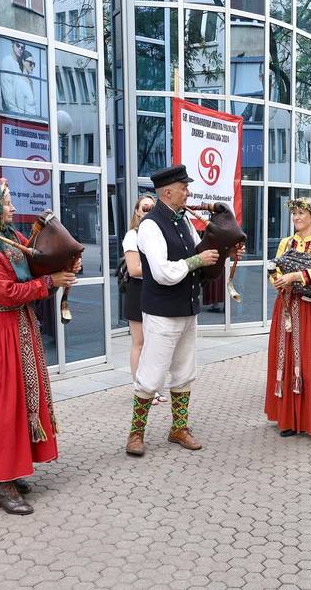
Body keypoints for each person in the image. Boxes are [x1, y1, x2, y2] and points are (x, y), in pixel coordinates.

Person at [0, 178, 79, 515]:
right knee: (1, 403)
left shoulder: (2, 238)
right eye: (6, 202)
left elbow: (36, 265)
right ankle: (0, 483)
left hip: (14, 327)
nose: (11, 208)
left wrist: (63, 266)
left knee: (19, 398)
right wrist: (51, 281)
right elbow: (6, 293)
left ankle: (10, 468)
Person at [124, 165, 220, 457]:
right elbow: (163, 272)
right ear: (168, 192)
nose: (188, 192)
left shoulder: (184, 222)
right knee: (151, 375)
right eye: (184, 187)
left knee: (184, 372)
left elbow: (198, 256)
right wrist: (197, 261)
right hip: (163, 312)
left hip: (187, 309)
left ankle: (179, 428)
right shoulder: (151, 225)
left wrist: (221, 253)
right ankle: (135, 434)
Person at [264, 198, 311, 448]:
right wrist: (275, 278)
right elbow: (274, 266)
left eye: (301, 213)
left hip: (309, 309)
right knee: (285, 360)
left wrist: (296, 275)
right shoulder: (287, 243)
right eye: (294, 213)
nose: (296, 217)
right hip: (285, 307)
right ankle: (290, 419)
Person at [122, 195, 166, 406]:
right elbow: (133, 269)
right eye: (144, 208)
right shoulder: (133, 235)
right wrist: (161, 270)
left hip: (154, 290)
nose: (149, 211)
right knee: (139, 342)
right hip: (138, 290)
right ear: (137, 212)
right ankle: (140, 388)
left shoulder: (158, 233)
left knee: (154, 342)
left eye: (152, 207)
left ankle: (154, 387)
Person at [0, 40, 25, 113]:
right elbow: (7, 94)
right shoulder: (7, 61)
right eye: (18, 45)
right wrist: (18, 114)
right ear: (13, 45)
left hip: (22, 114)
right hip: (13, 115)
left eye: (22, 47)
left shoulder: (20, 65)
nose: (20, 48)